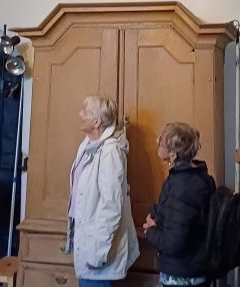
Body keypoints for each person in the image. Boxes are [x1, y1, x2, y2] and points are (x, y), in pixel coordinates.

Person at [66, 95, 139, 286]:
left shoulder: (110, 152)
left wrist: (97, 253)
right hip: (87, 240)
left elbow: (112, 207)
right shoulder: (87, 145)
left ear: (96, 121)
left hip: (98, 248)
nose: (80, 114)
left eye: (85, 111)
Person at [142, 122, 215, 287]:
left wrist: (151, 231)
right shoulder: (196, 175)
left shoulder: (182, 186)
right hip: (192, 267)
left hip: (183, 272)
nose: (156, 141)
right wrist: (157, 217)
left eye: (161, 141)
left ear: (173, 155)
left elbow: (173, 242)